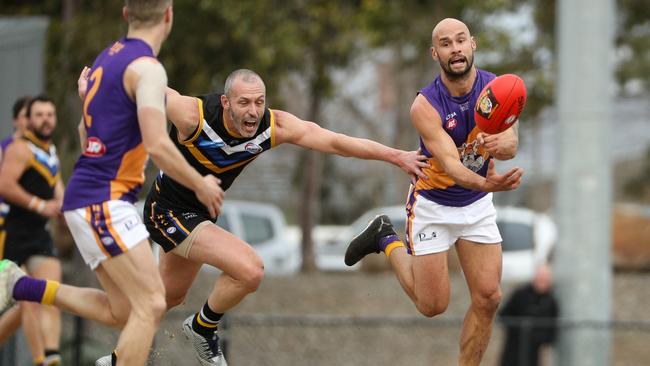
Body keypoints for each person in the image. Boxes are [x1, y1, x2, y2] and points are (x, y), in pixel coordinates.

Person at [109, 68, 427, 365]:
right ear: (225, 102)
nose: (253, 111)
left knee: (167, 298)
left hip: (200, 215)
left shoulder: (272, 127)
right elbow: (145, 85)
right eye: (244, 102)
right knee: (250, 270)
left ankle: (116, 358)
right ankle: (203, 327)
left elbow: (334, 141)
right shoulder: (194, 116)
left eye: (259, 102)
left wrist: (396, 156)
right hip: (166, 211)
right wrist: (103, 77)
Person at [0, 1, 224, 366]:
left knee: (123, 311)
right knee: (151, 303)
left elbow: (84, 133)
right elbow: (156, 142)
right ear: (169, 16)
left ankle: (20, 286)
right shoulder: (148, 69)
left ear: (125, 14)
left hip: (89, 198)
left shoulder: (106, 58)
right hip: (104, 200)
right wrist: (200, 183)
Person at [343, 18, 523, 366]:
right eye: (445, 43)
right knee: (432, 306)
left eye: (460, 41)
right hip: (434, 205)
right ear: (434, 53)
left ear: (473, 44)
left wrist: (501, 145)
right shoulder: (425, 105)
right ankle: (385, 237)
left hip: (477, 207)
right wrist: (490, 183)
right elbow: (454, 167)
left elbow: (511, 143)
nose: (454, 48)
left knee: (489, 297)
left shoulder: (497, 88)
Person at [0, 95, 63, 366]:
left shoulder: (49, 151)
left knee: (44, 294)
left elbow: (58, 192)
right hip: (8, 231)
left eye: (48, 114)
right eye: (33, 115)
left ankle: (48, 357)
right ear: (20, 120)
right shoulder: (11, 148)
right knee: (23, 299)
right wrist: (39, 205)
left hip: (38, 233)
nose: (39, 120)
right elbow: (6, 185)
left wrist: (65, 210)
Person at [0, 96, 31, 345]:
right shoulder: (7, 148)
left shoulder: (44, 154)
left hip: (26, 237)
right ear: (15, 121)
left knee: (33, 296)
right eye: (26, 115)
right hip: (5, 232)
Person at [499, 264, 558, 366]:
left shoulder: (551, 302)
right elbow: (503, 315)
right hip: (513, 349)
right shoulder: (520, 294)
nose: (542, 283)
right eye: (540, 279)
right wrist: (519, 327)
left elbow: (551, 332)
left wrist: (536, 335)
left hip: (532, 354)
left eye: (545, 280)